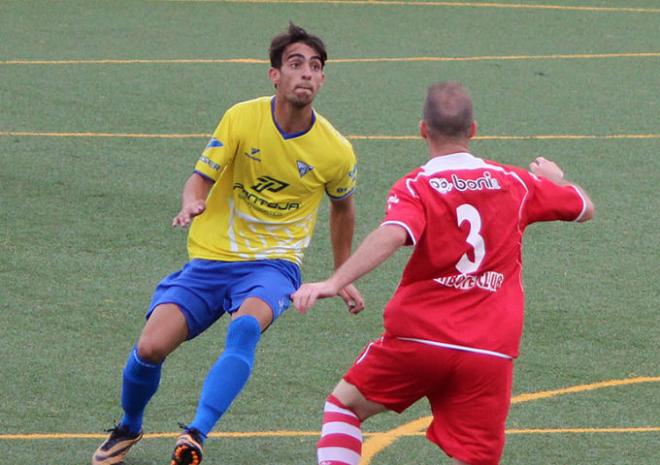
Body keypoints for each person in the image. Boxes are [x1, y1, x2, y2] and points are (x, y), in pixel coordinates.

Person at [92, 23, 364, 465]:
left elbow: (343, 209)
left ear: (323, 79)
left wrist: (341, 274)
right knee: (149, 349)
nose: (307, 74)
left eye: (315, 67)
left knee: (244, 327)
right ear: (274, 74)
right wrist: (191, 203)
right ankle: (129, 427)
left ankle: (195, 434)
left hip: (273, 265)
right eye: (296, 64)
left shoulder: (336, 150)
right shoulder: (242, 117)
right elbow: (201, 176)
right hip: (211, 259)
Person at [292, 81, 595, 465]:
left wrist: (336, 280)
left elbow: (394, 233)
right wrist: (555, 179)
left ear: (422, 129)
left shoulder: (417, 186)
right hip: (489, 349)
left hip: (421, 338)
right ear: (473, 130)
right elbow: (584, 207)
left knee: (345, 407)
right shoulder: (516, 182)